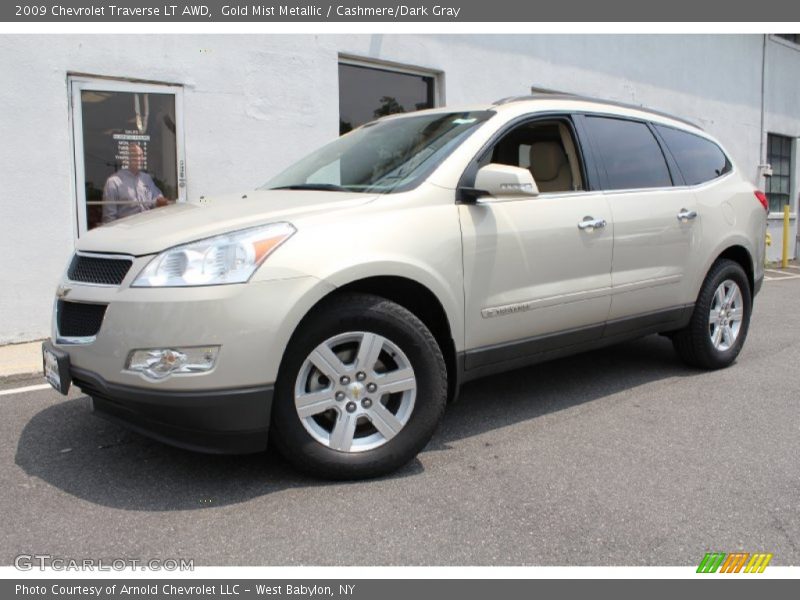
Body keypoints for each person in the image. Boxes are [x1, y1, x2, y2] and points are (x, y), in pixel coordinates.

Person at [101, 143, 169, 224]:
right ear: (126, 158)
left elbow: (157, 199)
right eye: (135, 156)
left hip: (148, 226)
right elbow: (109, 218)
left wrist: (160, 202)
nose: (139, 159)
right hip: (126, 231)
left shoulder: (146, 178)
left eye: (140, 156)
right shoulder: (113, 182)